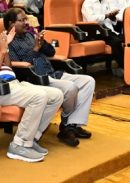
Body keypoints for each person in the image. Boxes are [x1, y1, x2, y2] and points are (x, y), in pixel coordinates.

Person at [7, 8, 95, 147]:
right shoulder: (8, 42)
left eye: (26, 19)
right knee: (70, 88)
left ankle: (71, 125)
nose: (26, 22)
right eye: (21, 20)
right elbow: (16, 67)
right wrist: (35, 49)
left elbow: (51, 52)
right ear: (11, 23)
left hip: (52, 73)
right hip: (35, 79)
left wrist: (42, 42)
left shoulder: (30, 35)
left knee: (88, 81)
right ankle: (67, 123)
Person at [0, 25, 63, 162]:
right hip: (2, 89)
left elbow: (7, 67)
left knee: (56, 95)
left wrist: (7, 49)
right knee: (39, 96)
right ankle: (19, 145)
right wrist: (2, 50)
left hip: (13, 83)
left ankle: (32, 137)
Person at [82, 0, 128, 77]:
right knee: (116, 42)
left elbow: (111, 21)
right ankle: (126, 69)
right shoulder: (88, 3)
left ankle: (127, 67)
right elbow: (91, 20)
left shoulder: (105, 1)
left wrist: (113, 17)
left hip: (109, 31)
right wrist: (106, 15)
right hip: (95, 33)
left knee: (128, 40)